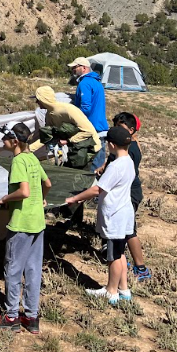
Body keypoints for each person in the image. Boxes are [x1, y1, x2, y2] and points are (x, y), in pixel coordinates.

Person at [0, 123, 51, 334]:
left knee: (13, 269)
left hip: (21, 223)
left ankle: (12, 316)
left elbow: (24, 192)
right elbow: (48, 183)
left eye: (5, 138)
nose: (2, 140)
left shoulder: (18, 161)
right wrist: (42, 199)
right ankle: (31, 317)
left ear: (15, 142)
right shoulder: (32, 158)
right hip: (37, 222)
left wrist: (6, 198)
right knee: (33, 270)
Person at [65, 126, 135, 305]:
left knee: (113, 256)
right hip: (124, 213)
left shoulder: (116, 166)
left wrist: (75, 198)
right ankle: (123, 289)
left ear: (111, 145)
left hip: (114, 215)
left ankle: (111, 291)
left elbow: (98, 189)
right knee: (120, 252)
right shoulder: (129, 161)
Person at [102, 112, 151, 282]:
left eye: (120, 128)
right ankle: (121, 259)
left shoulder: (130, 151)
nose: (117, 131)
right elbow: (112, 159)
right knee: (125, 229)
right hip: (127, 190)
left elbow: (120, 170)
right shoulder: (127, 145)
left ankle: (140, 267)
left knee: (129, 231)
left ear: (131, 131)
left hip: (129, 192)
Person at [29, 86, 100, 171]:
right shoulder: (49, 114)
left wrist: (68, 141)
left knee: (80, 176)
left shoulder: (68, 110)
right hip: (74, 148)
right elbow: (47, 136)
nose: (36, 102)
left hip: (89, 148)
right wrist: (29, 149)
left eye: (38, 99)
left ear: (44, 99)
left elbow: (88, 131)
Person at [68, 57, 109, 168]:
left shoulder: (84, 83)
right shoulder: (97, 82)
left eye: (75, 67)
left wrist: (72, 117)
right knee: (99, 164)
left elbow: (86, 108)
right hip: (100, 128)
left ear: (84, 68)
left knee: (90, 166)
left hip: (91, 128)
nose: (73, 70)